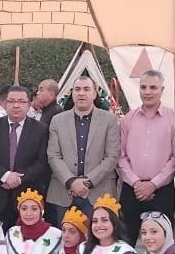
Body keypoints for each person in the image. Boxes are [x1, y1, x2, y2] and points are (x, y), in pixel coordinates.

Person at [118, 69, 175, 242]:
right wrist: (136, 183)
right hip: (131, 190)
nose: (147, 92)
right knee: (125, 242)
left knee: (160, 243)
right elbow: (120, 156)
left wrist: (153, 184)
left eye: (153, 87)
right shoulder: (128, 119)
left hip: (161, 192)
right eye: (143, 87)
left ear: (162, 90)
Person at [46, 75, 121, 214]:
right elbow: (53, 155)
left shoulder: (109, 120)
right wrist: (71, 182)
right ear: (72, 93)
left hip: (99, 193)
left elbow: (112, 156)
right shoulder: (57, 120)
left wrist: (88, 182)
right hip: (64, 193)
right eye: (77, 89)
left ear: (94, 94)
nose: (81, 93)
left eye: (86, 89)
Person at [0, 85, 51, 230]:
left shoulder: (41, 129)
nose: (16, 105)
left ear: (29, 104)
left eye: (21, 101)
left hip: (26, 198)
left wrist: (18, 179)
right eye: (11, 101)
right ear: (5, 104)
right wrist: (5, 176)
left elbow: (42, 162)